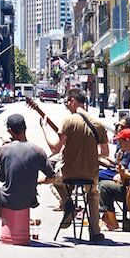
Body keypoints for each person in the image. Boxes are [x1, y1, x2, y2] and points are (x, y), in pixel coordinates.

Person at [40, 87, 109, 243]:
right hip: (90, 174)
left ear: (72, 101)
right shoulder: (98, 123)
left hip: (68, 173)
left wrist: (44, 129)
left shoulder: (69, 121)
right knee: (92, 194)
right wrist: (90, 153)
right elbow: (105, 152)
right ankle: (95, 231)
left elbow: (54, 148)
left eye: (67, 102)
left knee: (53, 180)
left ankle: (68, 205)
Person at [0, 113, 55, 239]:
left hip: (8, 200)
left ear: (10, 131)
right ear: (25, 128)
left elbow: (1, 177)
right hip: (30, 200)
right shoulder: (38, 151)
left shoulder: (4, 150)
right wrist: (37, 181)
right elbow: (52, 177)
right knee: (5, 190)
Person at [99, 127, 130, 232]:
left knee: (104, 186)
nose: (119, 144)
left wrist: (126, 174)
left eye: (121, 141)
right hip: (126, 186)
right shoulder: (125, 154)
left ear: (128, 141)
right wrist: (120, 174)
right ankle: (107, 218)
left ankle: (112, 221)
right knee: (101, 181)